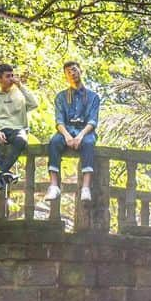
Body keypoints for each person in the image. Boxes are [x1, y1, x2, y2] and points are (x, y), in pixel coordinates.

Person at [45, 61, 100, 202]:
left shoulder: (93, 97)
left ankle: (86, 188)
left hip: (85, 131)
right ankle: (53, 185)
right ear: (66, 77)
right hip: (67, 130)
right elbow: (59, 121)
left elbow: (93, 121)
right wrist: (68, 136)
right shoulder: (61, 97)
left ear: (81, 71)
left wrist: (81, 135)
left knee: (89, 143)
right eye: (68, 72)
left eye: (74, 70)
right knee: (54, 142)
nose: (72, 74)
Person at [0, 63, 37, 188]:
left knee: (21, 140)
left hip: (18, 129)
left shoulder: (20, 93)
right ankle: (5, 172)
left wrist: (21, 86)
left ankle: (1, 172)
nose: (12, 78)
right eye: (8, 76)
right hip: (0, 130)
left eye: (12, 75)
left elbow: (34, 104)